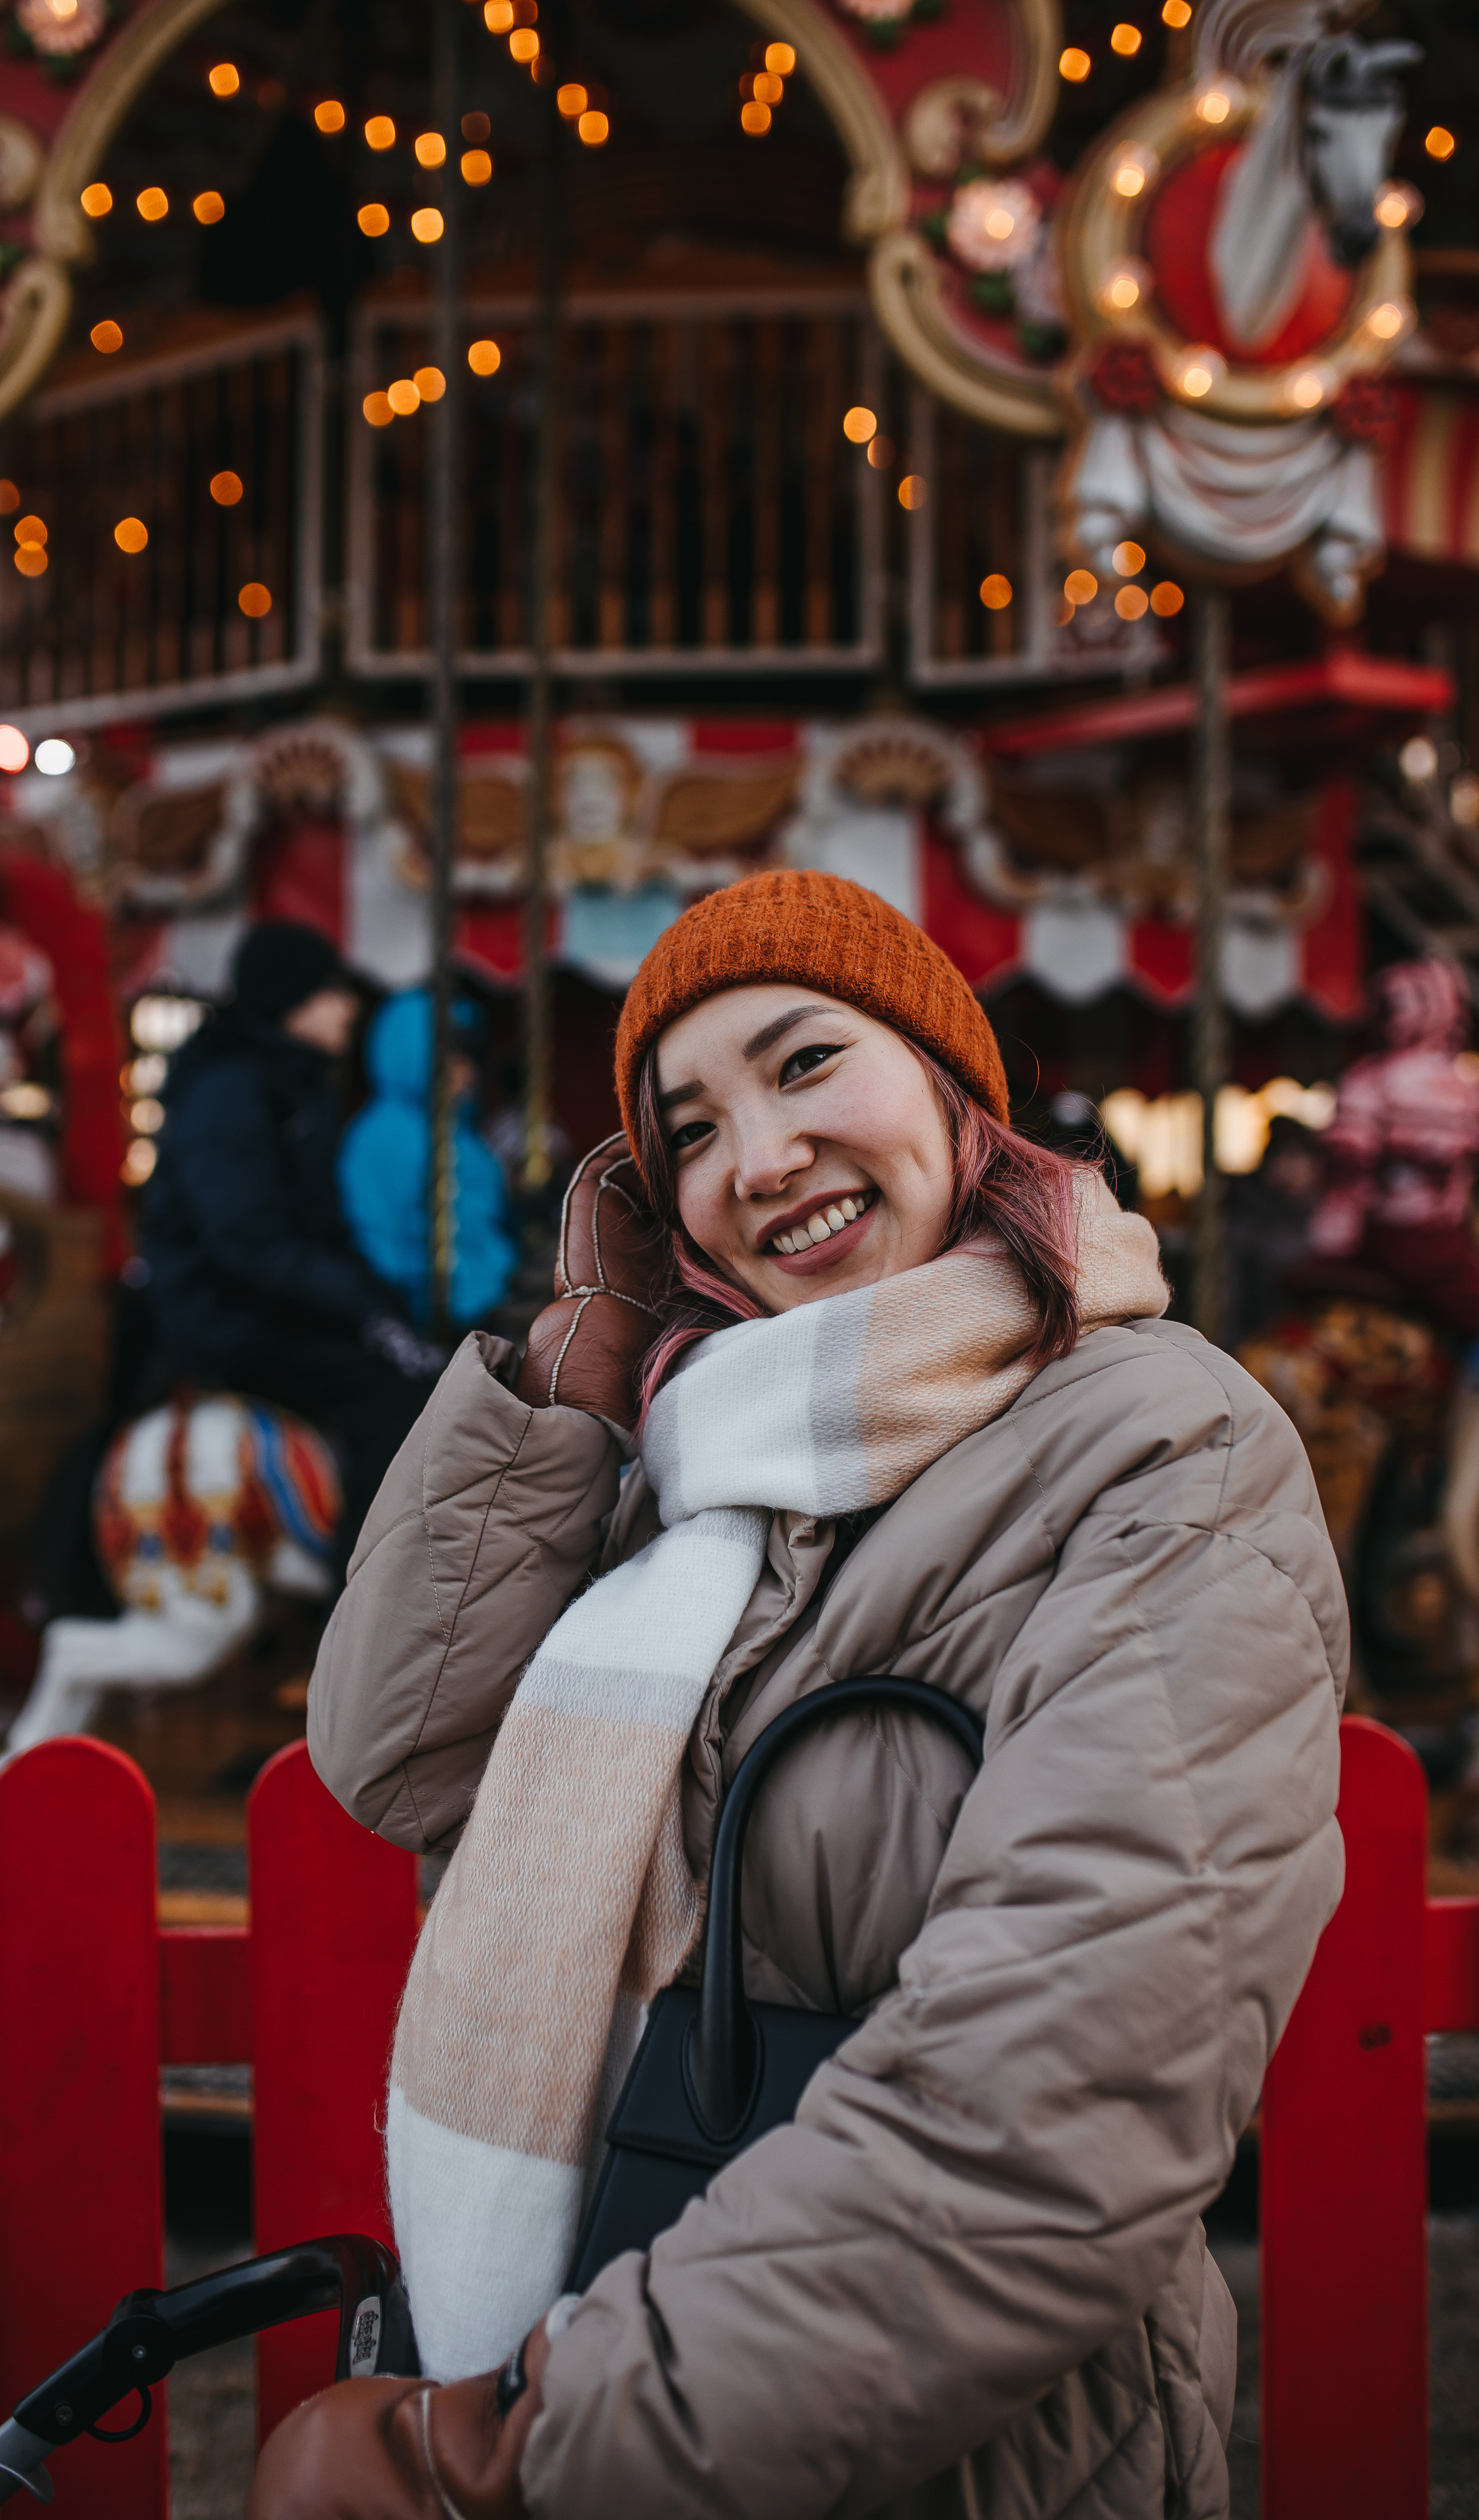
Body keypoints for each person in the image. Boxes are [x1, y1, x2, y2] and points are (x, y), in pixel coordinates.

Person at [256, 870, 1347, 2520]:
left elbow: (1051, 2089)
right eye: (684, 1131)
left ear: (949, 1086)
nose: (754, 1162)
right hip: (620, 2325)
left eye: (804, 1062)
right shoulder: (701, 1461)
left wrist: (526, 2442)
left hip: (956, 2457)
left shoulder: (1158, 1449)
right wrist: (581, 1365)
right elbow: (393, 1747)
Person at [137, 919, 440, 1565]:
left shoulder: (292, 1083)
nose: (350, 1006)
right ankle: (358, 1603)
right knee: (392, 1401)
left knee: (419, 1365)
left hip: (264, 1302)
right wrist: (363, 1311)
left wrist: (379, 1305)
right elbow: (248, 1241)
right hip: (226, 1316)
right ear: (292, 998)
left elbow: (319, 1229)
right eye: (333, 991)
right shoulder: (232, 1091)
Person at [1308, 956, 1479, 1341]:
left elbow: (1345, 1181)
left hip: (1390, 1241)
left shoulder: (1369, 1082)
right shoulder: (1466, 1087)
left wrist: (1329, 1252)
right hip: (1444, 1240)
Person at [337, 988, 518, 1331]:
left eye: (470, 1058)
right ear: (416, 1053)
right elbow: (383, 1239)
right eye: (454, 1056)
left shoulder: (458, 1129)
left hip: (482, 1298)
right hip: (428, 1312)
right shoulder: (387, 1135)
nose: (467, 1071)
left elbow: (481, 1220)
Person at [1222, 1112, 1322, 1349]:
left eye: (1301, 1160)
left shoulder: (1328, 1217)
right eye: (1284, 1158)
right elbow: (1227, 1297)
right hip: (1261, 1340)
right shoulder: (1244, 1222)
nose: (1293, 1169)